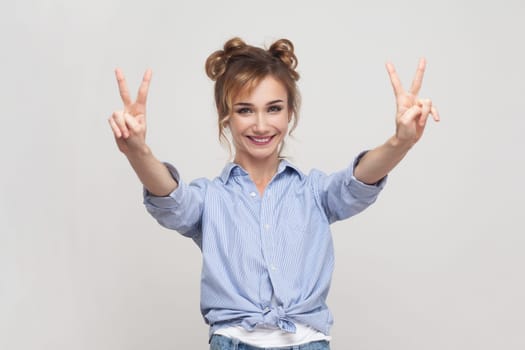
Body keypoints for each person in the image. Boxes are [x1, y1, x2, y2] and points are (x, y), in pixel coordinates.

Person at [108, 37, 439, 350]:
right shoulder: (211, 199)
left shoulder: (314, 193)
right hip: (232, 341)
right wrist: (138, 151)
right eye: (245, 110)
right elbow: (171, 200)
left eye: (274, 108)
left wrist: (401, 141)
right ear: (226, 116)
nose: (262, 125)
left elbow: (358, 180)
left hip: (308, 341)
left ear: (290, 112)